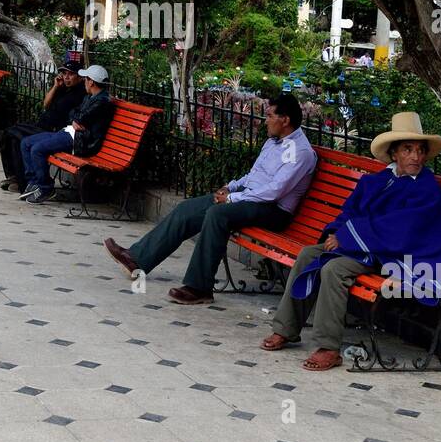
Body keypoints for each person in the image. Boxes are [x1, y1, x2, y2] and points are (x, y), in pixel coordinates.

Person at [259, 112, 441, 371]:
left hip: (396, 254)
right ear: (395, 153)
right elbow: (350, 211)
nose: (416, 157)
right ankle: (286, 329)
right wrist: (336, 233)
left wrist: (346, 237)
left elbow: (401, 229)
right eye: (408, 149)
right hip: (365, 246)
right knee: (308, 254)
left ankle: (328, 347)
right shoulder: (379, 180)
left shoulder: (427, 190)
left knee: (334, 269)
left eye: (420, 150)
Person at [104, 93, 317, 305]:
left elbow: (274, 191)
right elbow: (254, 175)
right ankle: (137, 259)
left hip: (274, 210)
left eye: (270, 115)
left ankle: (199, 287)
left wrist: (232, 198)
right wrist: (229, 187)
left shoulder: (301, 152)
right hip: (251, 197)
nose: (265, 120)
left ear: (285, 120)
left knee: (218, 214)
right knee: (188, 208)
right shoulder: (274, 142)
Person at [18, 65, 117, 203]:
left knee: (37, 149)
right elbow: (73, 114)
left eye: (86, 79)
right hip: (69, 132)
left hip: (80, 140)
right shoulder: (90, 97)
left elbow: (80, 117)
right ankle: (35, 182)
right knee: (26, 143)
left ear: (92, 82)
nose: (84, 82)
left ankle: (45, 187)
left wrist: (77, 119)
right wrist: (76, 120)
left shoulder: (102, 101)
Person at [0, 61, 86, 190]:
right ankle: (14, 176)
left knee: (14, 135)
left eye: (71, 74)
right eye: (64, 73)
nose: (66, 77)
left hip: (52, 131)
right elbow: (46, 104)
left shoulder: (81, 93)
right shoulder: (62, 88)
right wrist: (56, 86)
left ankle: (22, 181)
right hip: (42, 125)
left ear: (79, 77)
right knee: (9, 134)